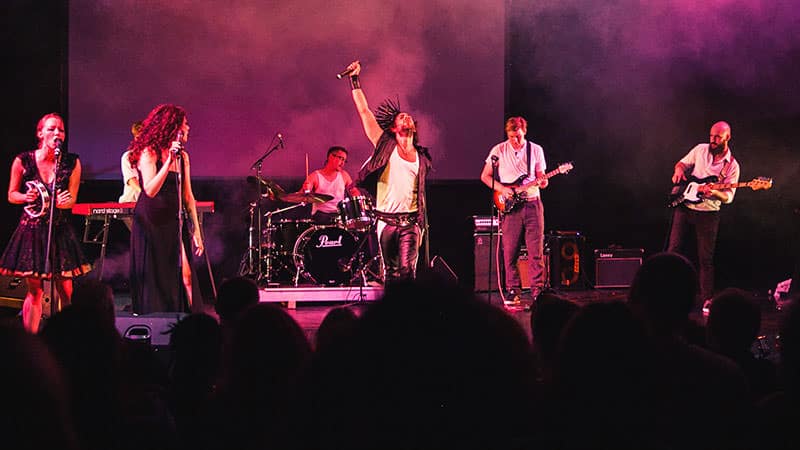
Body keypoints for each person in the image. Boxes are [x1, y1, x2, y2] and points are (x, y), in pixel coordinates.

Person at [0, 113, 91, 333]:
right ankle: (30, 342)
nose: (57, 133)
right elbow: (11, 195)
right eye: (51, 129)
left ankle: (66, 339)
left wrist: (65, 202)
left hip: (59, 230)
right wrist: (25, 197)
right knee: (35, 291)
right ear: (40, 133)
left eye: (60, 130)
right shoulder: (24, 161)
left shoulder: (72, 162)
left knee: (66, 291)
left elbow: (72, 199)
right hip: (32, 231)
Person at [344, 60, 433, 283]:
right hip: (385, 220)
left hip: (410, 222)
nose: (406, 117)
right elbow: (364, 112)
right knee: (391, 274)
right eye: (401, 117)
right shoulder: (384, 144)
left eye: (408, 116)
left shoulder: (422, 158)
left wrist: (420, 224)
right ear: (393, 128)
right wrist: (355, 80)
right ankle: (393, 314)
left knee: (407, 272)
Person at [128, 104, 204, 313]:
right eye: (185, 124)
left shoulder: (184, 157)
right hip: (150, 221)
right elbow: (150, 189)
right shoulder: (149, 152)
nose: (188, 128)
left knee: (186, 276)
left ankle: (192, 323)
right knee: (156, 278)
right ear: (174, 127)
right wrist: (168, 161)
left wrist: (196, 229)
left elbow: (188, 196)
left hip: (173, 220)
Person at [667, 121, 740, 306]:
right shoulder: (700, 149)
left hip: (708, 213)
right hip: (685, 207)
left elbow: (729, 197)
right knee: (673, 251)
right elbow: (682, 163)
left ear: (727, 138)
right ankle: (665, 291)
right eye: (711, 136)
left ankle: (707, 300)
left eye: (718, 137)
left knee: (705, 259)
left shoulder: (732, 165)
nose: (713, 141)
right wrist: (678, 171)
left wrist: (714, 192)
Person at [480, 117, 548, 306]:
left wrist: (544, 181)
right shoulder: (498, 150)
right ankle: (513, 290)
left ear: (524, 132)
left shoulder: (536, 150)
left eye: (518, 136)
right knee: (510, 251)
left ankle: (537, 291)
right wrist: (502, 189)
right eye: (511, 137)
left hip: (532, 204)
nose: (515, 141)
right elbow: (485, 176)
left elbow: (542, 176)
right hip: (510, 207)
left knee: (536, 251)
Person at [300, 146, 354, 225]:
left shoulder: (344, 175)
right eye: (341, 158)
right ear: (331, 157)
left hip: (339, 215)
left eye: (344, 160)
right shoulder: (315, 176)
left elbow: (354, 191)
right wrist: (306, 189)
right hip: (321, 216)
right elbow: (302, 194)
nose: (342, 163)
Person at [119, 120, 143, 203]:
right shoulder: (128, 157)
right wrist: (147, 197)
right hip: (130, 202)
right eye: (138, 137)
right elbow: (132, 180)